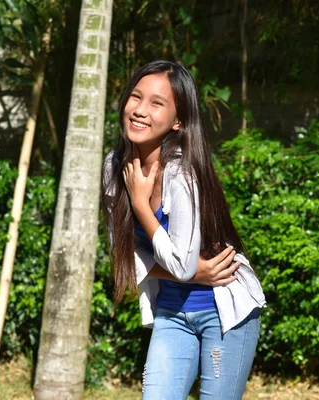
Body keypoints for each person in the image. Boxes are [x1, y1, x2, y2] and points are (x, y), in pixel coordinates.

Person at [102, 60, 267, 400]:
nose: (140, 110)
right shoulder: (113, 166)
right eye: (136, 97)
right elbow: (124, 255)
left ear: (178, 121)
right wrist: (195, 274)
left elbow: (180, 265)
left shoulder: (182, 173)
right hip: (172, 312)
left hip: (226, 311)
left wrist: (140, 204)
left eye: (156, 103)